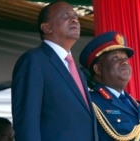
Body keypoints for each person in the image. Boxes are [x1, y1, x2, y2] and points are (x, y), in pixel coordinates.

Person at [11, 1, 98, 141]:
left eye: (76, 16)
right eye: (65, 15)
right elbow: (27, 122)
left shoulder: (77, 71)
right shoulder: (34, 61)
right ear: (46, 27)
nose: (75, 19)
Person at [79, 31, 140, 141]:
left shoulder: (138, 106)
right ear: (98, 69)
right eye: (115, 58)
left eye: (125, 58)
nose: (124, 62)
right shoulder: (89, 104)